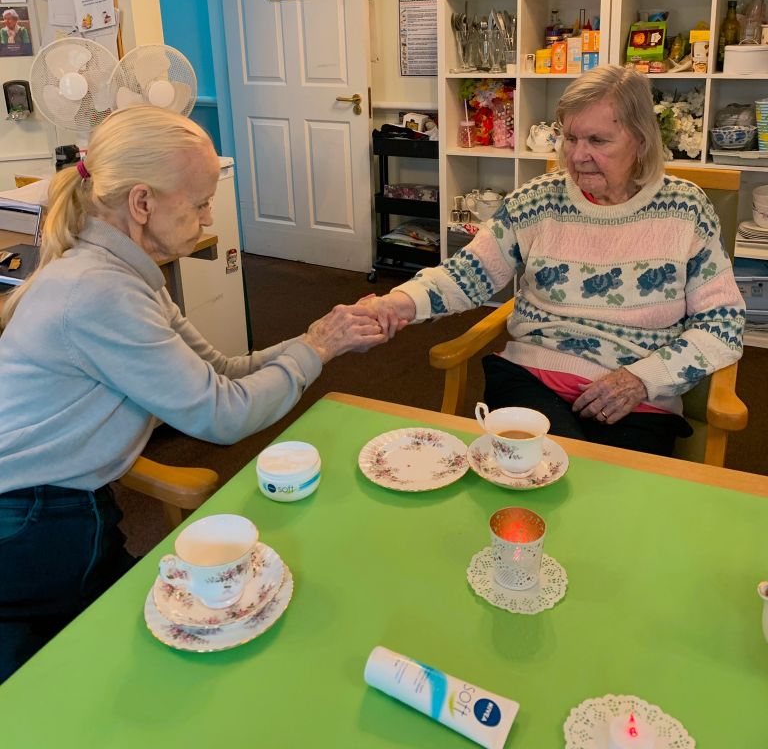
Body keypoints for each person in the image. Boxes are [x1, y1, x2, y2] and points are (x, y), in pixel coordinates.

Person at [0, 105, 387, 682]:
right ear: (141, 202)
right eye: (200, 203)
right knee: (121, 665)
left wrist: (317, 338)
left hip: (63, 506)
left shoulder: (124, 273)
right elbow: (222, 414)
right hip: (30, 524)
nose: (208, 216)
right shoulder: (100, 291)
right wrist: (318, 351)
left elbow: (222, 371)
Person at [365, 65, 745, 456]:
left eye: (598, 140)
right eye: (571, 137)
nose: (577, 156)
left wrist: (643, 378)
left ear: (642, 141)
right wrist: (395, 303)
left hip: (635, 396)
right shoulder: (538, 200)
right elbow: (467, 274)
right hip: (532, 378)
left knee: (611, 482)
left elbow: (723, 323)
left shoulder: (686, 209)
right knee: (541, 467)